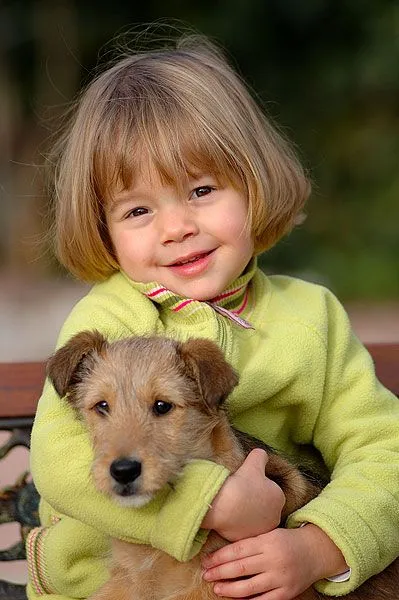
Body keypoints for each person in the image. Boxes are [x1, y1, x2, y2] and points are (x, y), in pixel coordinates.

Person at [27, 33, 399, 600]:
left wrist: (319, 547)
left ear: (255, 186)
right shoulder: (107, 318)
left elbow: (383, 448)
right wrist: (210, 503)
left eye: (201, 190)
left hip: (268, 568)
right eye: (139, 209)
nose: (176, 228)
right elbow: (57, 457)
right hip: (111, 579)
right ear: (102, 226)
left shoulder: (310, 317)